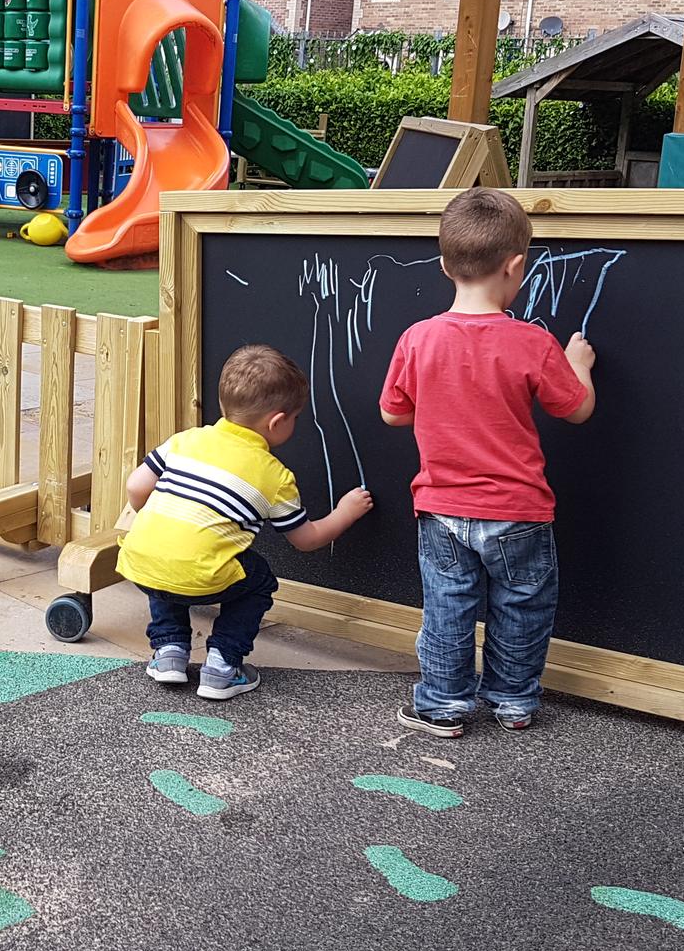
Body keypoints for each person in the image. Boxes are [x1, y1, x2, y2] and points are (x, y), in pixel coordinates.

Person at [380, 187, 596, 737]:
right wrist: (578, 363)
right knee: (522, 605)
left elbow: (393, 414)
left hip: (442, 509)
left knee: (448, 607)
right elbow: (576, 409)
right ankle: (514, 701)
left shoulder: (417, 338)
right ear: (516, 266)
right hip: (518, 510)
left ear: (444, 265)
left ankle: (442, 705)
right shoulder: (534, 343)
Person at [118, 344, 374, 700]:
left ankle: (169, 652)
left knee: (168, 560)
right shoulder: (274, 475)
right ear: (277, 422)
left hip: (140, 562)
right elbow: (306, 539)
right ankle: (223, 665)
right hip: (200, 575)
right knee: (258, 580)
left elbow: (135, 486)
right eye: (296, 418)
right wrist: (346, 511)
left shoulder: (186, 439)